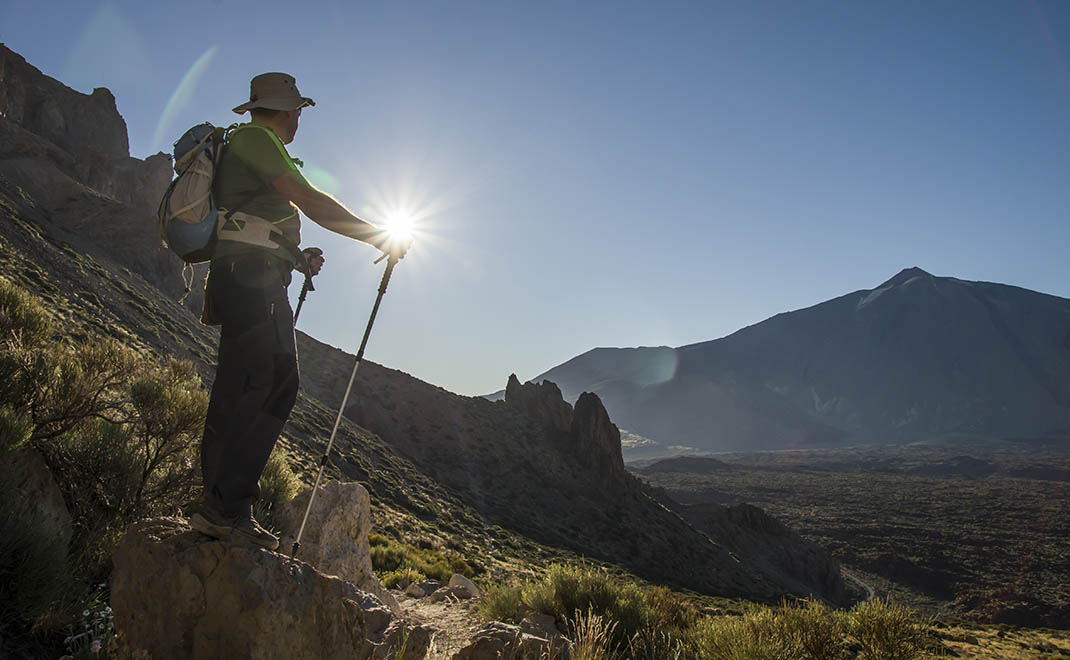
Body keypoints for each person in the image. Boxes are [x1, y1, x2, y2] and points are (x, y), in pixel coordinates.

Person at [188, 72, 408, 550]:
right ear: (289, 111)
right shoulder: (258, 140)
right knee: (277, 381)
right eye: (299, 112)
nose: (299, 120)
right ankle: (229, 508)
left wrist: (295, 257)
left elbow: (254, 220)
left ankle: (216, 505)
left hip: (239, 276)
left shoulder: (245, 142)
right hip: (253, 282)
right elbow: (310, 201)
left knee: (236, 387)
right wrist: (378, 233)